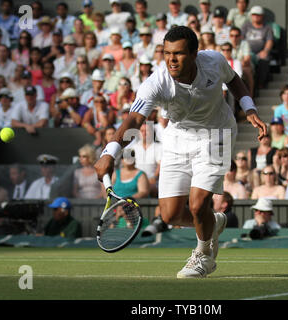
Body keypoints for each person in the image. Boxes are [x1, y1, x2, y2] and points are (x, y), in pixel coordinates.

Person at [94, 26, 267, 278]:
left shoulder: (215, 61)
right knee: (170, 214)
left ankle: (203, 255)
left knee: (198, 205)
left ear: (195, 54)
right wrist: (110, 153)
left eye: (179, 54)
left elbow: (234, 81)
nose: (171, 60)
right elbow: (133, 121)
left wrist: (249, 109)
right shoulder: (155, 83)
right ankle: (213, 222)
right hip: (177, 139)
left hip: (216, 135)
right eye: (166, 53)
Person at [241, 5, 273, 89]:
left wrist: (265, 51)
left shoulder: (267, 28)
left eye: (258, 15)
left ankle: (260, 84)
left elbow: (269, 41)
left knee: (264, 59)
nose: (255, 17)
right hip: (247, 52)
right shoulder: (246, 25)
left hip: (260, 52)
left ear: (262, 16)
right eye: (254, 14)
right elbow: (241, 38)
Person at [131, 122, 162, 197]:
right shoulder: (133, 147)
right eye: (142, 131)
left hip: (154, 182)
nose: (144, 133)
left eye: (147, 131)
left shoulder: (159, 147)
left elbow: (160, 165)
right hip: (136, 180)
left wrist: (154, 177)